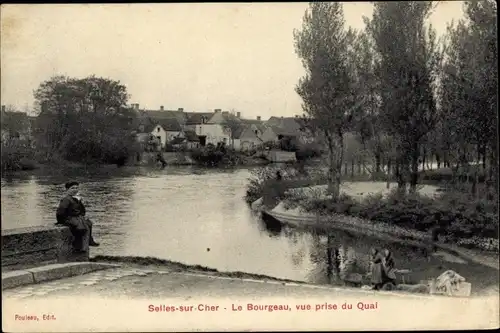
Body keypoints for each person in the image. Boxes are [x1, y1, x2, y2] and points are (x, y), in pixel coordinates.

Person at [56, 181, 99, 252]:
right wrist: (60, 221)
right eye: (72, 188)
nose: (75, 190)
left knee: (89, 223)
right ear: (67, 190)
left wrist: (79, 202)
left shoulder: (76, 199)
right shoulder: (66, 199)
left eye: (76, 188)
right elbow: (60, 212)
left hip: (76, 217)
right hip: (68, 218)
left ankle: (90, 241)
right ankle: (78, 246)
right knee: (80, 227)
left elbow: (83, 211)